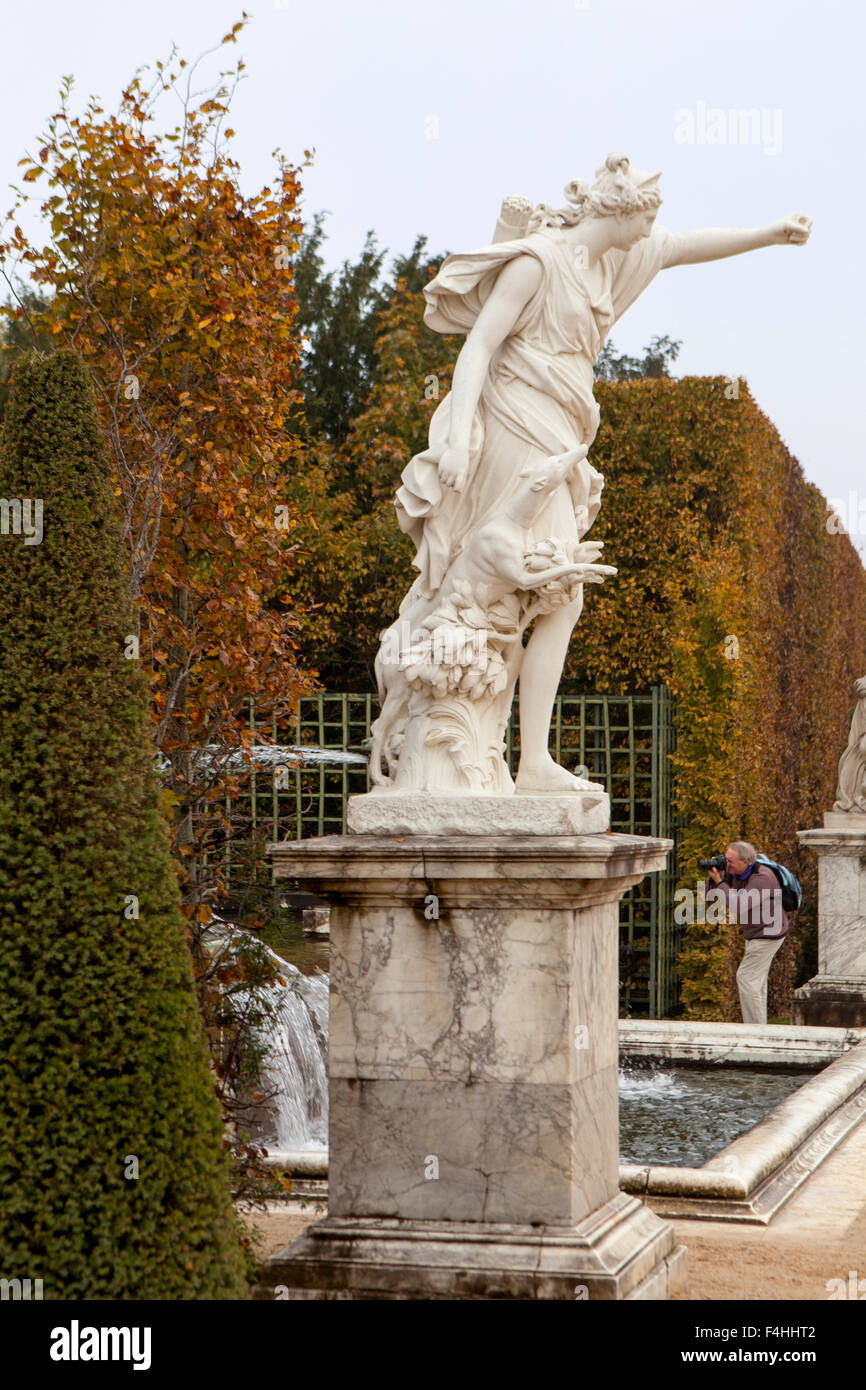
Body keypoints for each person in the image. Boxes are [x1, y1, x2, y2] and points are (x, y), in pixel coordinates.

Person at [381, 151, 812, 794]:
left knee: (552, 589)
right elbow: (478, 347)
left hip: (561, 432)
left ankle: (516, 758)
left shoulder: (616, 261)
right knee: (537, 584)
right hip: (514, 428)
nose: (651, 231)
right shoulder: (537, 261)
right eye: (647, 217)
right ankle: (511, 759)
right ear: (619, 211)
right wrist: (459, 442)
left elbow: (688, 247)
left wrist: (771, 232)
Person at [706, 841, 789, 1025]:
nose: (726, 864)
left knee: (746, 978)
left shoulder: (762, 878)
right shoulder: (735, 872)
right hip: (755, 933)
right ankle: (760, 1028)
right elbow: (711, 895)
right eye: (725, 859)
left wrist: (720, 882)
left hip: (768, 934)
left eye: (730, 861)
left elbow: (739, 905)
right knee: (756, 983)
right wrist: (714, 878)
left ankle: (754, 1031)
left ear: (745, 861)